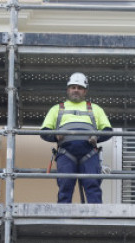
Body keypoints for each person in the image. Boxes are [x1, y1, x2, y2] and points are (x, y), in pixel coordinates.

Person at [41, 72, 112, 203]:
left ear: (85, 91)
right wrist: (56, 136)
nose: (76, 90)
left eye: (79, 88)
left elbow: (108, 130)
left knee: (93, 186)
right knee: (65, 186)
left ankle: (96, 221)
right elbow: (44, 132)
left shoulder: (95, 109)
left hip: (89, 153)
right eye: (73, 87)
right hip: (66, 153)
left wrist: (97, 138)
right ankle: (63, 220)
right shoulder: (57, 109)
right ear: (68, 90)